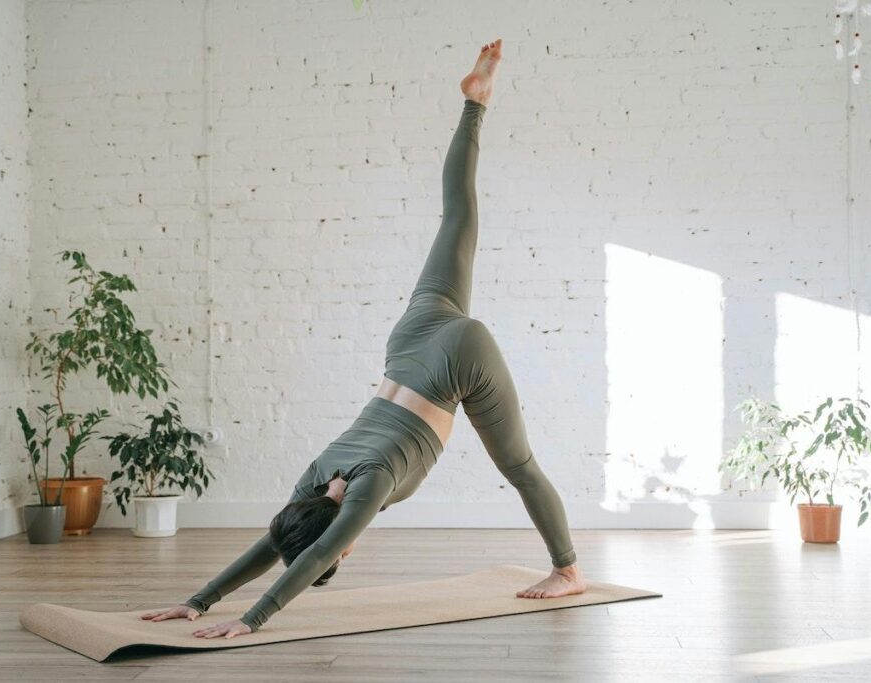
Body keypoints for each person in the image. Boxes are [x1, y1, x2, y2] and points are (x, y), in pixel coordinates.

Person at [140, 38, 587, 640]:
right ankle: (475, 105)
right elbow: (277, 541)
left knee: (521, 465)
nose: (341, 555)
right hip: (413, 340)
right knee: (458, 216)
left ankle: (568, 570)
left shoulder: (366, 492)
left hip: (460, 362)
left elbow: (310, 554)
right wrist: (198, 600)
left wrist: (252, 620)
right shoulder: (315, 475)